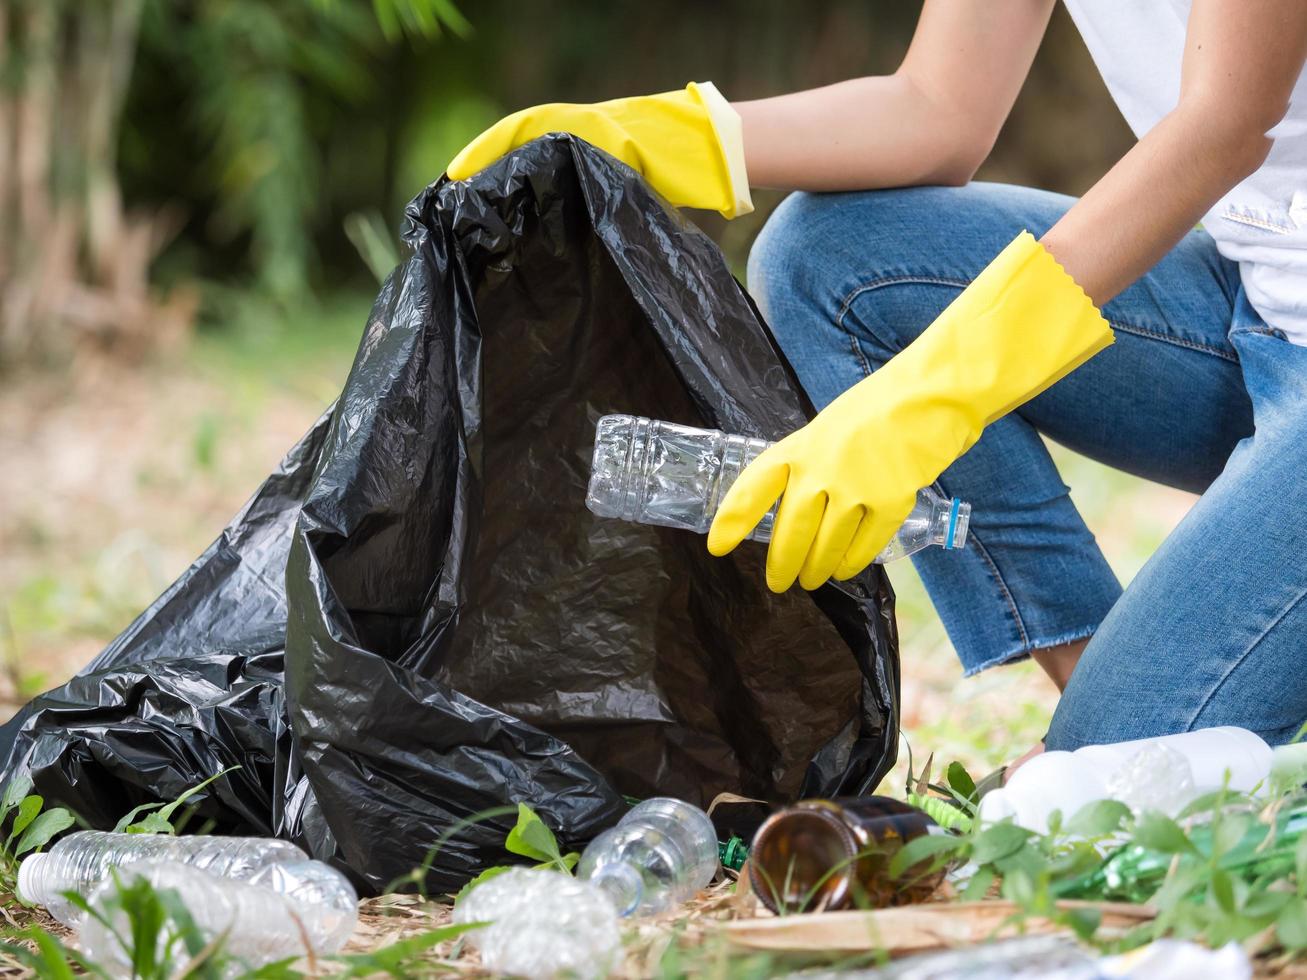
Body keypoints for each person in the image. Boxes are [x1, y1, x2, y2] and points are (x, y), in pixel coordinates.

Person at [448, 1, 1307, 757]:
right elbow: (937, 108)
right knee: (831, 262)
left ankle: (1122, 733)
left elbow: (1227, 120)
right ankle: (1099, 695)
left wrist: (939, 389)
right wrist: (662, 134)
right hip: (1257, 310)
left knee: (1115, 766)